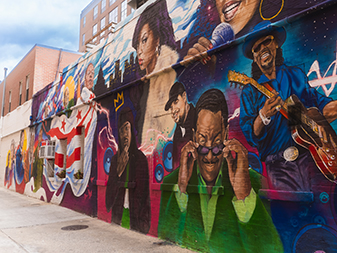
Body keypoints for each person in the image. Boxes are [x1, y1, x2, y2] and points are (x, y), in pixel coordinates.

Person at [158, 89, 282, 252]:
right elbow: (165, 238)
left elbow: (271, 248)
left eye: (217, 142)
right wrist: (181, 190)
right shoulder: (171, 184)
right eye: (202, 141)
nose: (209, 155)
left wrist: (244, 197)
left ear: (226, 133)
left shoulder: (254, 184)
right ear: (194, 137)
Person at [239, 21, 337, 191]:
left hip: (311, 159)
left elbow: (318, 105)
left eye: (266, 41)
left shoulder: (296, 75)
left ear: (276, 43)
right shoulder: (250, 90)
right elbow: (250, 134)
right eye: (257, 48)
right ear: (254, 57)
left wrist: (324, 129)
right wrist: (262, 116)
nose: (262, 49)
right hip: (279, 167)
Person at [132, 0, 179, 145]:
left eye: (144, 40)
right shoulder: (142, 85)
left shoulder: (168, 78)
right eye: (137, 44)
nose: (139, 51)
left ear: (157, 40)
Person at [105, 107, 150, 234]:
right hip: (118, 217)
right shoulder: (115, 160)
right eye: (121, 130)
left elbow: (145, 197)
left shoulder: (141, 159)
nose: (124, 134)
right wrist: (118, 173)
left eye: (127, 128)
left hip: (136, 220)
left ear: (132, 130)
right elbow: (108, 200)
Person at [164, 82, 196, 170]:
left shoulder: (198, 120)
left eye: (176, 102)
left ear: (184, 97)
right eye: (171, 107)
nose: (173, 110)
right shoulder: (178, 132)